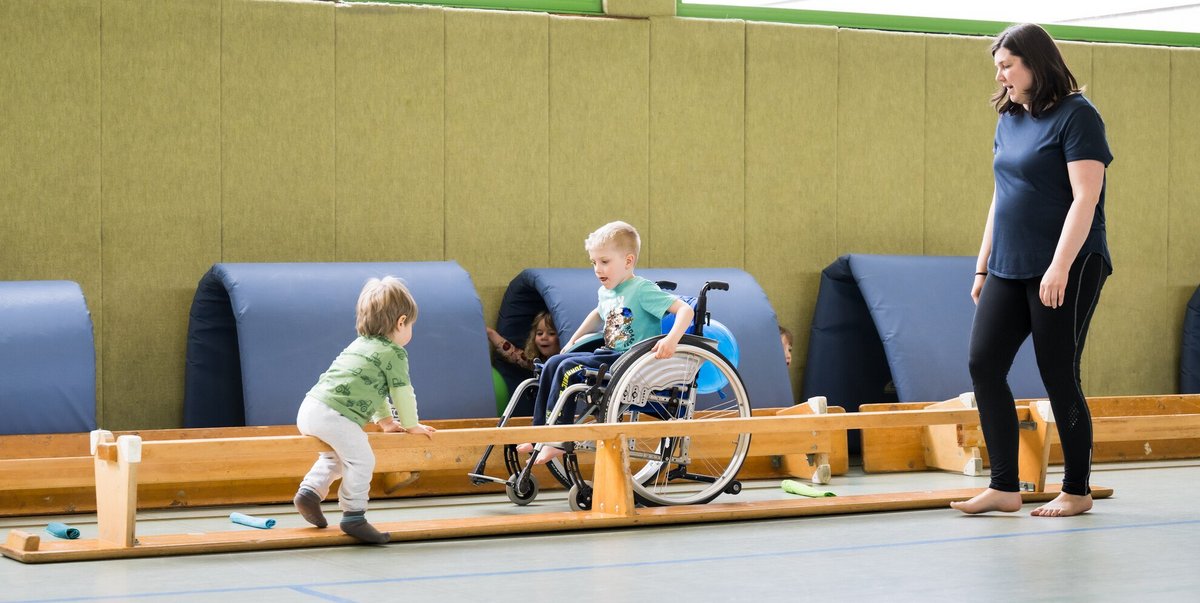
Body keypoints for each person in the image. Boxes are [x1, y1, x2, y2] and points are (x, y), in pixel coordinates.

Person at [951, 23, 1112, 518]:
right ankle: (1003, 485)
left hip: (1068, 263)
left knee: (1058, 373)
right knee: (984, 363)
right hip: (1009, 263)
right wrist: (982, 269)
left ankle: (1078, 490)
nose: (1000, 76)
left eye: (1007, 66)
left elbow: (1087, 196)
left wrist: (1060, 265)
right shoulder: (1009, 119)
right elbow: (1001, 197)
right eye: (998, 67)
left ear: (1035, 64)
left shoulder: (1078, 117)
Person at [518, 221, 694, 465]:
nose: (597, 269)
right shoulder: (606, 291)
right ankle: (541, 434)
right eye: (594, 262)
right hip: (609, 355)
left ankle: (558, 439)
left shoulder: (642, 289)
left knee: (568, 370)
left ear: (628, 261)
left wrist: (671, 340)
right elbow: (597, 315)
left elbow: (685, 310)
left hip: (631, 362)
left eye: (604, 261)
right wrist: (574, 339)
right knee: (553, 363)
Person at [292, 276, 436, 543]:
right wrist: (411, 424)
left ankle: (310, 491)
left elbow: (375, 390)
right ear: (401, 322)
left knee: (336, 455)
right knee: (362, 459)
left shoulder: (360, 344)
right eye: (411, 324)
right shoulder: (394, 352)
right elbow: (401, 392)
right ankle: (354, 516)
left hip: (310, 408)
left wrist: (385, 421)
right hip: (332, 414)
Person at [486, 311, 561, 372]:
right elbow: (512, 353)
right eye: (539, 333)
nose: (544, 337)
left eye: (551, 333)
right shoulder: (537, 362)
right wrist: (490, 333)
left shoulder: (565, 361)